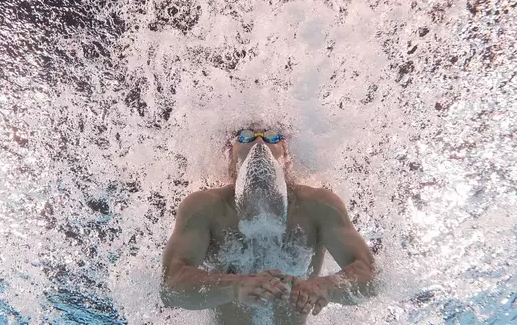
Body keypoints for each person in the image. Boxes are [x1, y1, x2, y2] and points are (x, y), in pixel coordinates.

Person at [160, 127, 375, 324]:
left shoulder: (319, 207)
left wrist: (324, 288)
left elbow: (372, 276)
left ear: (286, 158)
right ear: (230, 157)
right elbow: (170, 287)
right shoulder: (204, 209)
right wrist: (235, 287)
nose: (260, 142)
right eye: (246, 135)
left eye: (272, 135)